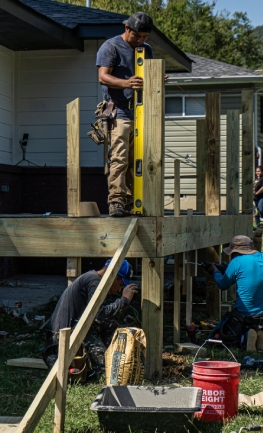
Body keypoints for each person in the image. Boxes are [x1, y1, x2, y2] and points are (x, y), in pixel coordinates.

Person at [96, 12, 154, 217]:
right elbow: (103, 77)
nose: (141, 40)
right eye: (137, 36)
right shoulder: (110, 46)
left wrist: (156, 78)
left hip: (140, 112)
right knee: (120, 158)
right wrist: (126, 83)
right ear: (127, 28)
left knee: (138, 158)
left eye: (145, 37)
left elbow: (146, 75)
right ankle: (116, 202)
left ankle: (133, 202)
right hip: (118, 110)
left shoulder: (146, 50)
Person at [44, 259, 138, 368]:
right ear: (114, 276)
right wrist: (124, 300)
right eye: (121, 284)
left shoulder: (94, 279)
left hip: (74, 329)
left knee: (111, 325)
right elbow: (99, 315)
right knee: (106, 364)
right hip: (60, 339)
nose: (119, 290)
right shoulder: (94, 281)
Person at [206, 235, 263, 352]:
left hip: (244, 317)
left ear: (235, 251)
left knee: (219, 335)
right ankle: (261, 334)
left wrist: (215, 271)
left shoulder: (236, 261)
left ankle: (246, 337)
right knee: (259, 324)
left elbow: (223, 284)